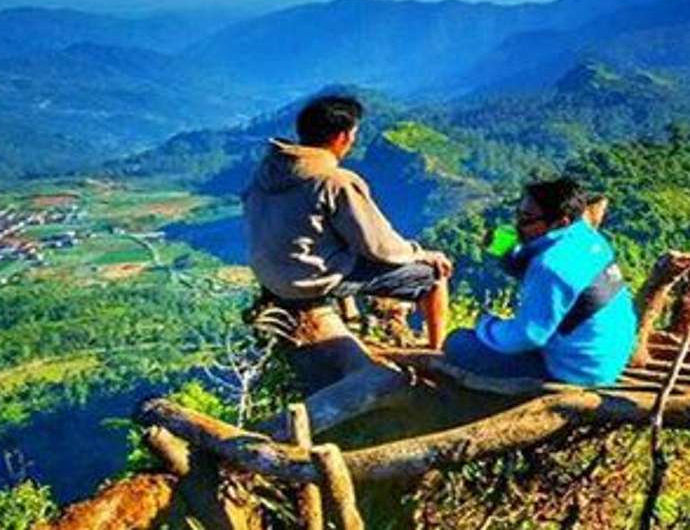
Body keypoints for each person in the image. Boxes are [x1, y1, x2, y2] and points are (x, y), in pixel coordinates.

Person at [243, 94, 452, 348]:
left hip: (272, 276)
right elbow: (379, 247)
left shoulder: (268, 171)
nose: (353, 141)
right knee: (433, 277)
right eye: (353, 134)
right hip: (309, 279)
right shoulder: (334, 181)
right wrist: (420, 253)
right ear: (342, 137)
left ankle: (350, 320)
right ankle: (437, 351)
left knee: (341, 245)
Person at [444, 177, 635, 386]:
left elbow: (529, 336)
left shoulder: (551, 266)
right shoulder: (591, 240)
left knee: (458, 342)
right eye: (518, 214)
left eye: (527, 219)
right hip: (604, 360)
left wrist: (487, 324)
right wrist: (515, 256)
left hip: (574, 371)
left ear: (560, 222)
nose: (518, 225)